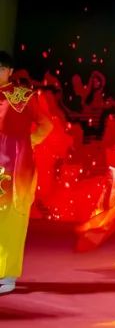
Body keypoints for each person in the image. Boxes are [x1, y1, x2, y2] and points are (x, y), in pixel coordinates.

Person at [0, 51, 55, 295]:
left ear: (10, 72)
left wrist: (27, 142)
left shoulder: (23, 96)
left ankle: (8, 275)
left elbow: (46, 124)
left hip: (15, 167)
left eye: (2, 69)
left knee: (13, 220)